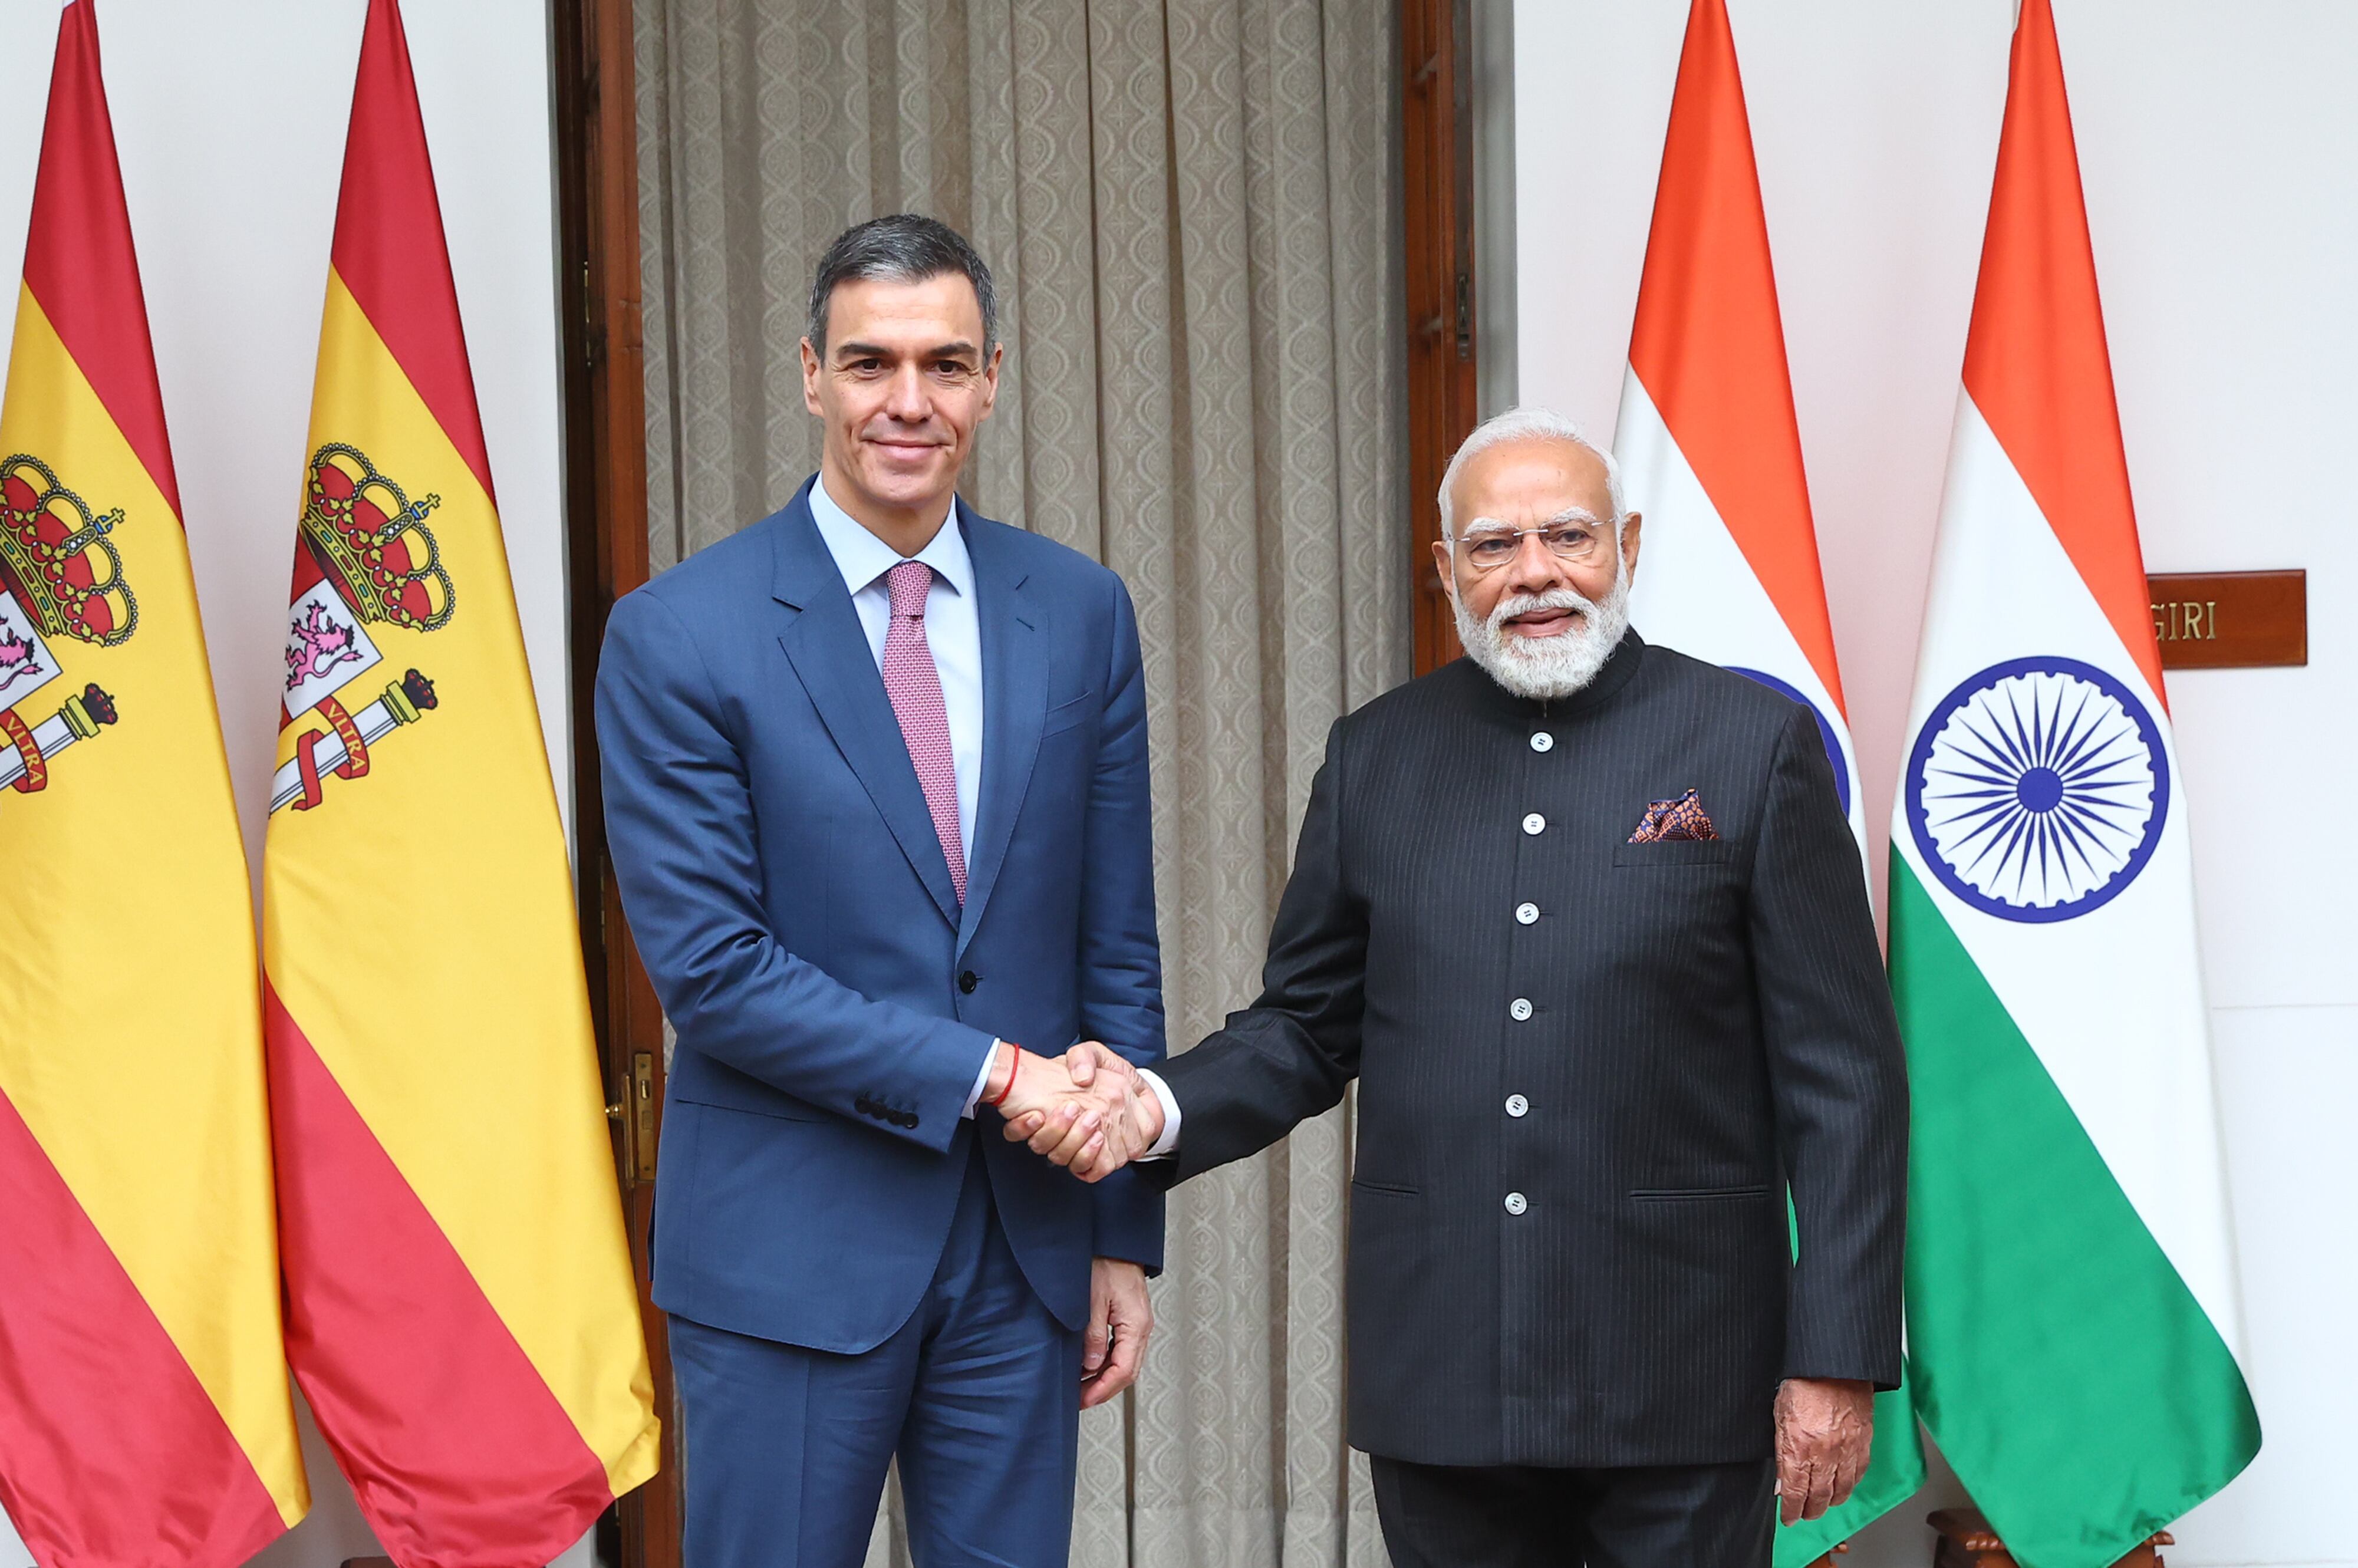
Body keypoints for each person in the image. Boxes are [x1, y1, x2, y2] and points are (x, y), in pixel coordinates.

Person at [1018, 407, 1909, 1568]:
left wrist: (1832, 1355)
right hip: (1440, 1371)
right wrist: (1153, 1108)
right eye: (1492, 545)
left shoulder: (1750, 745)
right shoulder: (1374, 756)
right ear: (1446, 572)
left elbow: (1842, 1076)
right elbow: (1300, 1027)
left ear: (1626, 548)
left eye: (1567, 536)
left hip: (1679, 1372)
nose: (1533, 572)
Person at [597, 213, 1164, 1568]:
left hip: (1026, 1251)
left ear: (992, 376)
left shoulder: (1078, 609)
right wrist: (999, 1074)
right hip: (791, 1255)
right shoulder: (681, 632)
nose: (908, 403)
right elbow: (714, 970)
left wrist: (1119, 1225)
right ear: (809, 375)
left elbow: (1116, 938)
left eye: (945, 364)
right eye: (869, 364)